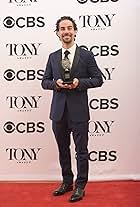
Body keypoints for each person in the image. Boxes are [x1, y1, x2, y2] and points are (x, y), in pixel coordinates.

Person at [41, 16, 103, 202]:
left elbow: (98, 79)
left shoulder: (86, 55)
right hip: (58, 112)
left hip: (79, 112)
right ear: (58, 33)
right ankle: (67, 182)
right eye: (62, 28)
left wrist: (79, 83)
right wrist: (56, 84)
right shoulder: (52, 57)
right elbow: (44, 82)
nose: (66, 31)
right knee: (63, 149)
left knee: (81, 150)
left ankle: (80, 186)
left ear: (75, 31)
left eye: (69, 28)